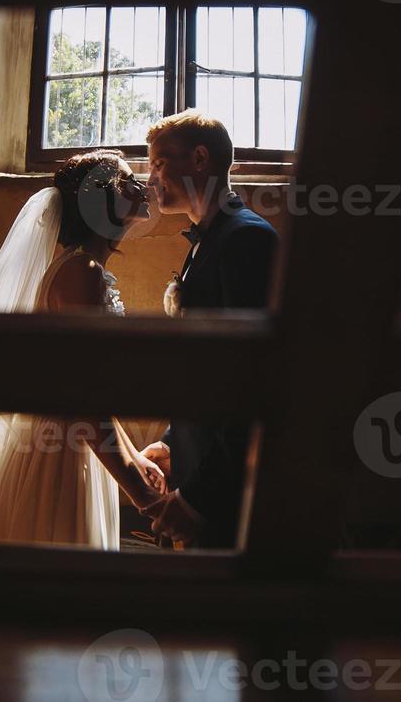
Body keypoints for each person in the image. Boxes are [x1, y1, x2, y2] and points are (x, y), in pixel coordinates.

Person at [0, 150, 164, 550]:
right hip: (61, 460)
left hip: (78, 449)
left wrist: (135, 456)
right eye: (131, 179)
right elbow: (84, 400)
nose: (143, 184)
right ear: (105, 200)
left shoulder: (85, 270)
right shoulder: (81, 273)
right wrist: (137, 489)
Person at [140, 111, 278, 548]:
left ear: (200, 159)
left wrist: (198, 498)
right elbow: (206, 371)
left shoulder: (246, 240)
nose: (151, 179)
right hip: (199, 463)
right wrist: (172, 443)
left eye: (159, 164)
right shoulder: (208, 239)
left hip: (231, 494)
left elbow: (252, 382)